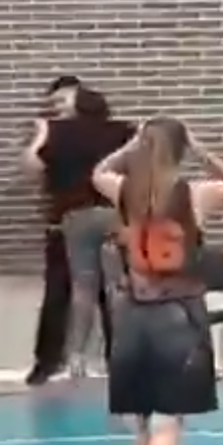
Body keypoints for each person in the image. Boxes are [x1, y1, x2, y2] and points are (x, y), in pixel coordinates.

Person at [91, 117, 223, 445]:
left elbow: (98, 172)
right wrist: (200, 147)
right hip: (179, 315)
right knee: (166, 424)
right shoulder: (192, 194)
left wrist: (131, 145)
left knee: (143, 422)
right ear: (180, 149)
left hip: (131, 316)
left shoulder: (123, 189)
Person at [47, 88, 135, 377]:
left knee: (82, 289)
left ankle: (76, 359)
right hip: (114, 212)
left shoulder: (59, 133)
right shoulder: (123, 132)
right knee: (116, 288)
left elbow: (45, 166)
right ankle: (118, 357)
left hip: (76, 215)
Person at [21, 75, 83, 385]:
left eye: (65, 101)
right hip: (62, 224)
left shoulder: (105, 132)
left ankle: (120, 359)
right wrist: (41, 136)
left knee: (110, 294)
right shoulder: (53, 134)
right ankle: (46, 362)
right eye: (54, 104)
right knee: (57, 294)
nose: (59, 108)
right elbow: (33, 167)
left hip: (101, 224)